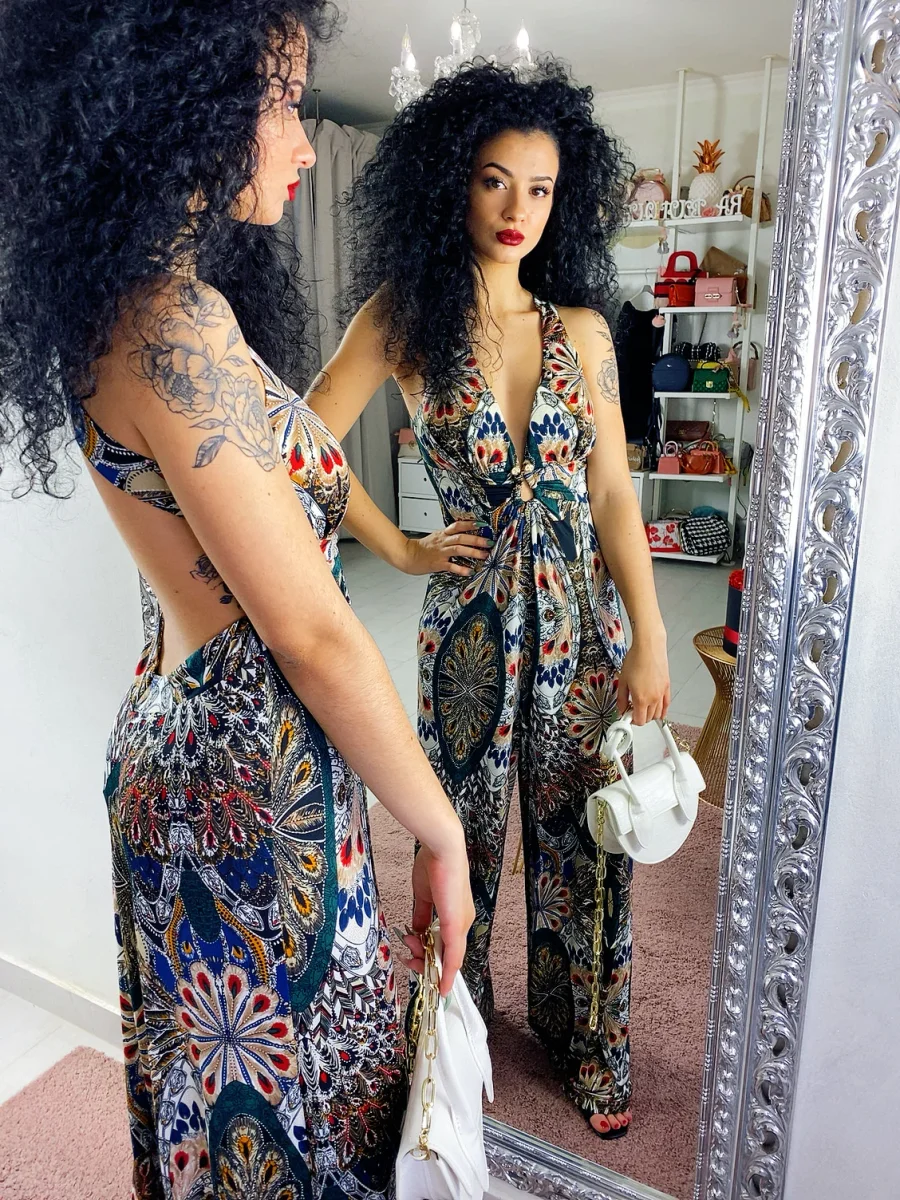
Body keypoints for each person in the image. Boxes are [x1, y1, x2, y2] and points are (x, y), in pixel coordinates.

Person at [0, 2, 474, 1196]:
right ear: (185, 103)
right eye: (282, 100)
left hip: (184, 735)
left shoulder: (119, 307)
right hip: (247, 771)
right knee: (295, 1096)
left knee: (228, 1087)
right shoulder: (176, 321)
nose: (303, 140)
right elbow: (314, 636)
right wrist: (442, 828)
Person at [306, 61, 671, 1139]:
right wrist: (398, 545)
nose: (519, 209)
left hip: (579, 622)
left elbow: (613, 491)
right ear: (449, 183)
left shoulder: (585, 333)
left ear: (566, 198)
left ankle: (584, 1036)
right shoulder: (404, 320)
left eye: (542, 188)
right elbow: (302, 442)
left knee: (583, 836)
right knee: (453, 830)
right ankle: (449, 1035)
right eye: (494, 180)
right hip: (466, 625)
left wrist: (650, 634)